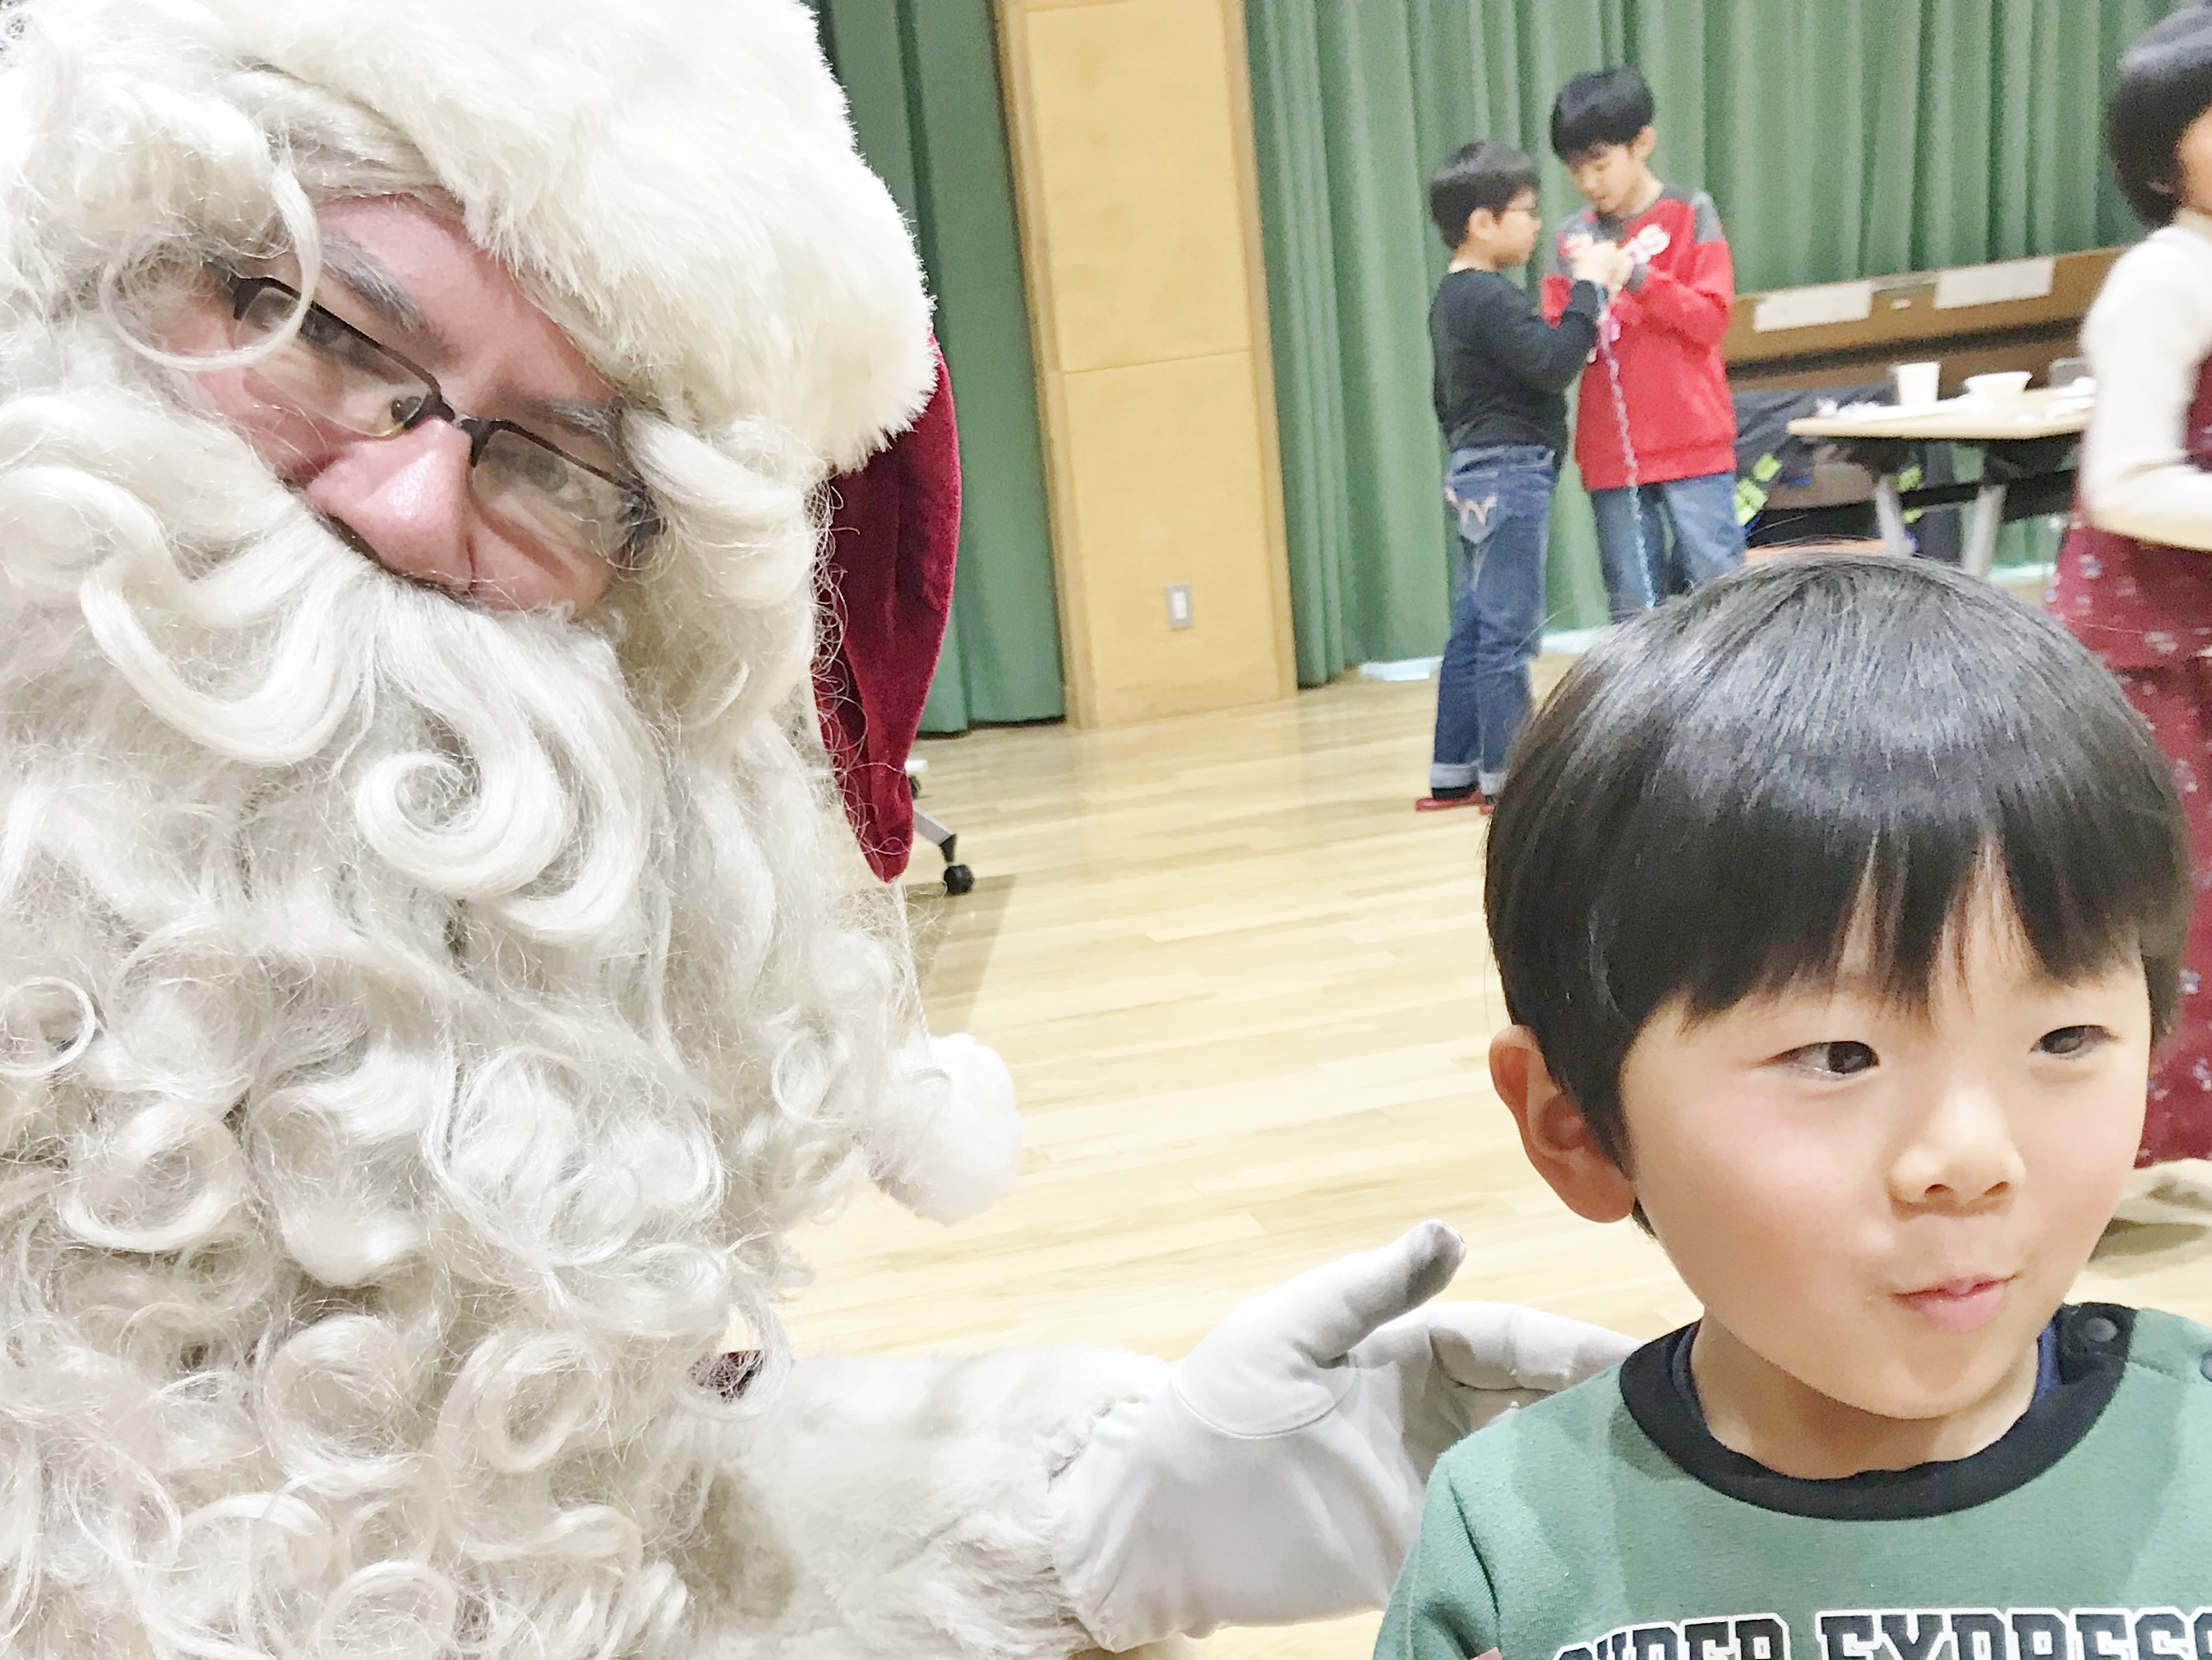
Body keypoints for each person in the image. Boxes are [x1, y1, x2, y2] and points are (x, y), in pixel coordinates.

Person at [0, 2, 1639, 1655]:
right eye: (334, 331)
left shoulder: (497, 1072)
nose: (410, 508)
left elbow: (493, 1530)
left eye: (554, 468)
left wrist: (1101, 1512)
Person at [1379, 556, 2212, 1658]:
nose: (1969, 1158)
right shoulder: (1514, 1540)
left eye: (2061, 1040)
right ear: (1572, 1125)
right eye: (1835, 1055)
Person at [2050, 5, 2212, 1178]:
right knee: (2170, 909)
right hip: (2147, 656)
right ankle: (2123, 1150)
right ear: (2162, 156)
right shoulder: (2164, 278)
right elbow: (2124, 483)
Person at [1416, 142, 1625, 814]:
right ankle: (1510, 783)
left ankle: (1453, 772)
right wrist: (1592, 286)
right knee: (1507, 632)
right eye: (1525, 212)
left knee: (1473, 628)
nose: (1537, 225)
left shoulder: (1453, 299)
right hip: (1508, 474)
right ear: (1483, 223)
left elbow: (1444, 399)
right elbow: (1554, 361)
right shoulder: (1486, 299)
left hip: (1473, 469)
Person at [1540, 66, 1744, 619]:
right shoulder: (1569, 239)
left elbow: (1708, 319)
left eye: (1599, 164)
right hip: (1612, 453)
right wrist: (1586, 294)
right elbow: (1561, 342)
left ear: (1642, 143)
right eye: (1575, 169)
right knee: (1633, 607)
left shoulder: (1689, 213)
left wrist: (1636, 275)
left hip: (1692, 442)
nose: (1587, 182)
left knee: (1720, 595)